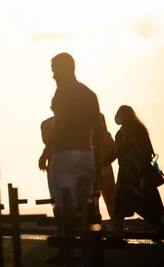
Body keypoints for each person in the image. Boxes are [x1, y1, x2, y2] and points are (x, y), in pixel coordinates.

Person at [47, 53, 104, 232]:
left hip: (65, 154)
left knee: (64, 205)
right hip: (87, 155)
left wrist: (47, 149)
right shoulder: (89, 94)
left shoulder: (63, 91)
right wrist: (97, 162)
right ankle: (89, 248)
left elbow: (61, 123)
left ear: (64, 69)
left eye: (55, 70)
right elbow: (99, 130)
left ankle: (67, 249)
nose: (53, 75)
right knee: (86, 205)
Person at [104, 105, 164, 243]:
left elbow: (115, 152)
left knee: (122, 200)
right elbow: (148, 151)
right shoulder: (140, 130)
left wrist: (102, 162)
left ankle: (119, 233)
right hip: (143, 172)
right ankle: (162, 225)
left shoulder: (123, 132)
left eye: (118, 114)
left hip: (128, 174)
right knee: (149, 202)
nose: (116, 118)